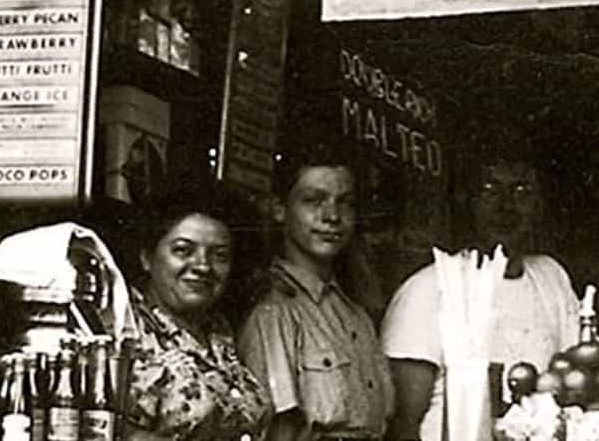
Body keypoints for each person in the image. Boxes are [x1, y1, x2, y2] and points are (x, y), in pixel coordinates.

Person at [380, 154, 577, 441]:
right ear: (465, 200)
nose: (505, 205)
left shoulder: (551, 277)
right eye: (489, 189)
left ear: (539, 204)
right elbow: (402, 426)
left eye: (521, 190)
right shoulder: (427, 290)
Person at [239, 147, 394, 441]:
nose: (332, 216)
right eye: (313, 201)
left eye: (344, 203)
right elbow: (275, 433)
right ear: (279, 208)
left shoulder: (355, 313)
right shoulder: (274, 311)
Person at [120, 184, 274, 441]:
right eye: (183, 250)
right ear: (147, 257)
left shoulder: (219, 331)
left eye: (219, 255)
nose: (203, 266)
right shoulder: (126, 329)